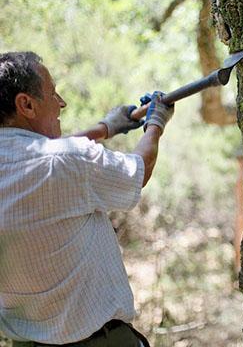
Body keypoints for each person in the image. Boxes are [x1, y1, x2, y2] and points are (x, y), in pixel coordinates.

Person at [0, 51, 174, 346]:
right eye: (53, 93)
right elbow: (136, 171)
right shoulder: (68, 163)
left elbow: (41, 156)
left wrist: (106, 128)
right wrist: (155, 123)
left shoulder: (39, 163)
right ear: (26, 104)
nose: (61, 103)